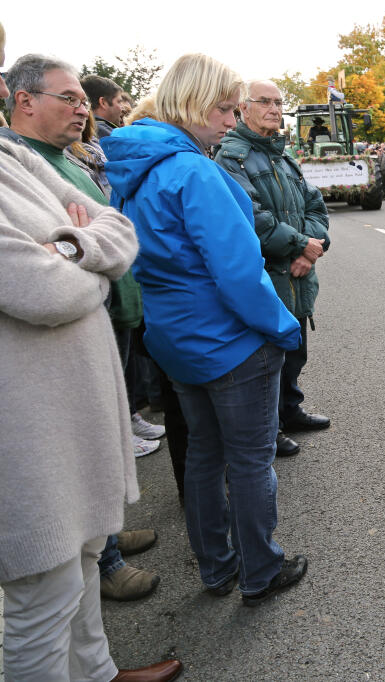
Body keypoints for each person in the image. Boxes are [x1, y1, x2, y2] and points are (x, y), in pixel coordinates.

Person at [0, 27, 181, 681]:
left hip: (61, 414)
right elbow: (38, 286)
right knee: (37, 606)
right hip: (26, 428)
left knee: (74, 569)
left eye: (85, 97)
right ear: (22, 100)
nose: (83, 108)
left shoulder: (19, 160)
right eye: (69, 96)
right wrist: (86, 250)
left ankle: (99, 673)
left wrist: (76, 242)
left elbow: (112, 226)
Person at [102, 53, 309, 606]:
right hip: (228, 339)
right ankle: (260, 569)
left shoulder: (134, 165)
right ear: (191, 102)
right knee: (249, 459)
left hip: (172, 334)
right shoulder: (193, 169)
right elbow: (239, 273)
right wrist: (283, 328)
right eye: (223, 108)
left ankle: (216, 568)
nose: (229, 119)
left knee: (202, 455)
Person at [214, 80, 331, 460]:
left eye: (279, 102)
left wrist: (309, 252)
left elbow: (316, 207)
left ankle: (290, 410)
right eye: (264, 101)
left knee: (295, 349)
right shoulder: (232, 158)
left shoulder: (283, 156)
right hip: (268, 277)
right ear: (242, 109)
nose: (275, 108)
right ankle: (272, 427)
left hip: (298, 273)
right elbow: (252, 218)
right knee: (267, 357)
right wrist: (299, 245)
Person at [81, 74, 125, 138]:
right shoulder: (109, 136)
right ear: (103, 102)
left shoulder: (81, 130)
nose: (122, 108)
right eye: (119, 102)